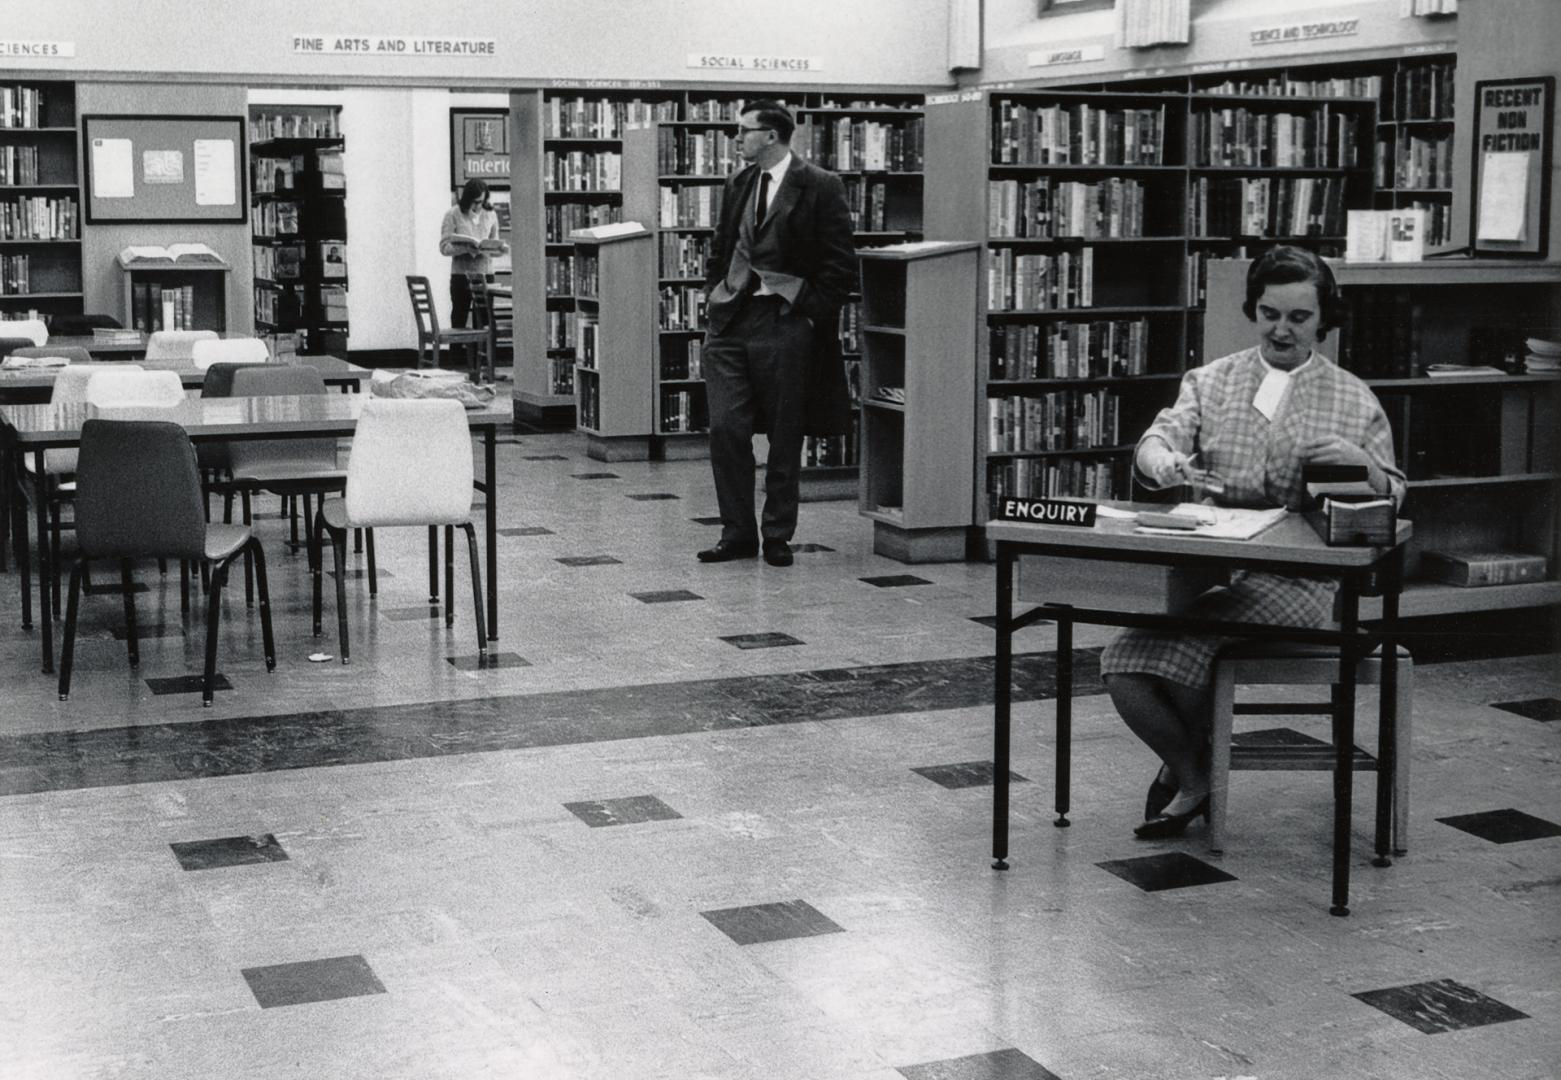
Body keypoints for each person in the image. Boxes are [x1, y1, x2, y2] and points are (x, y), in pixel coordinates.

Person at [1101, 245, 1406, 839]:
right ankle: (1194, 773)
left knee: (1191, 655)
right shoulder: (1212, 380)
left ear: (1323, 320)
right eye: (1270, 314)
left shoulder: (1352, 398)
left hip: (1299, 579)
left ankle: (1187, 778)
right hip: (1209, 570)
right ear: (1254, 310)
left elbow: (1394, 496)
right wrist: (1161, 462)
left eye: (1298, 318)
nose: (1281, 330)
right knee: (1123, 664)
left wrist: (1361, 466)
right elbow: (1156, 441)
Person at [697, 100, 858, 568]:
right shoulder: (738, 182)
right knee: (726, 428)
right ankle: (737, 532)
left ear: (770, 136)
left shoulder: (820, 186)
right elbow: (722, 246)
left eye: (743, 131)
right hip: (731, 319)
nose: (737, 139)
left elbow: (839, 264)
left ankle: (777, 535)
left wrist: (809, 315)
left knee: (786, 434)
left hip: (785, 320)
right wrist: (714, 293)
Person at [439, 178, 507, 329]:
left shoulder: (491, 214)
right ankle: (457, 352)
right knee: (459, 318)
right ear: (467, 198)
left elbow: (493, 242)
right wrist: (466, 248)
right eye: (475, 202)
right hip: (461, 276)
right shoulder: (453, 214)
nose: (478, 206)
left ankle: (482, 352)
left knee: (484, 322)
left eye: (481, 202)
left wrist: (498, 250)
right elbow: (444, 247)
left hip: (485, 274)